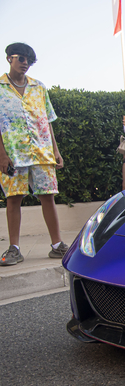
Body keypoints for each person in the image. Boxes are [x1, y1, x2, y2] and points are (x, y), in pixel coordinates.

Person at [0, 43, 68, 265]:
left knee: (47, 196)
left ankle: (57, 245)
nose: (25, 63)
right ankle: (14, 248)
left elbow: (46, 121)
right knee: (14, 199)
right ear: (10, 58)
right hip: (13, 153)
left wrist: (56, 151)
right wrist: (1, 155)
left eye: (29, 60)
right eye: (21, 58)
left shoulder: (39, 87)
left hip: (42, 152)